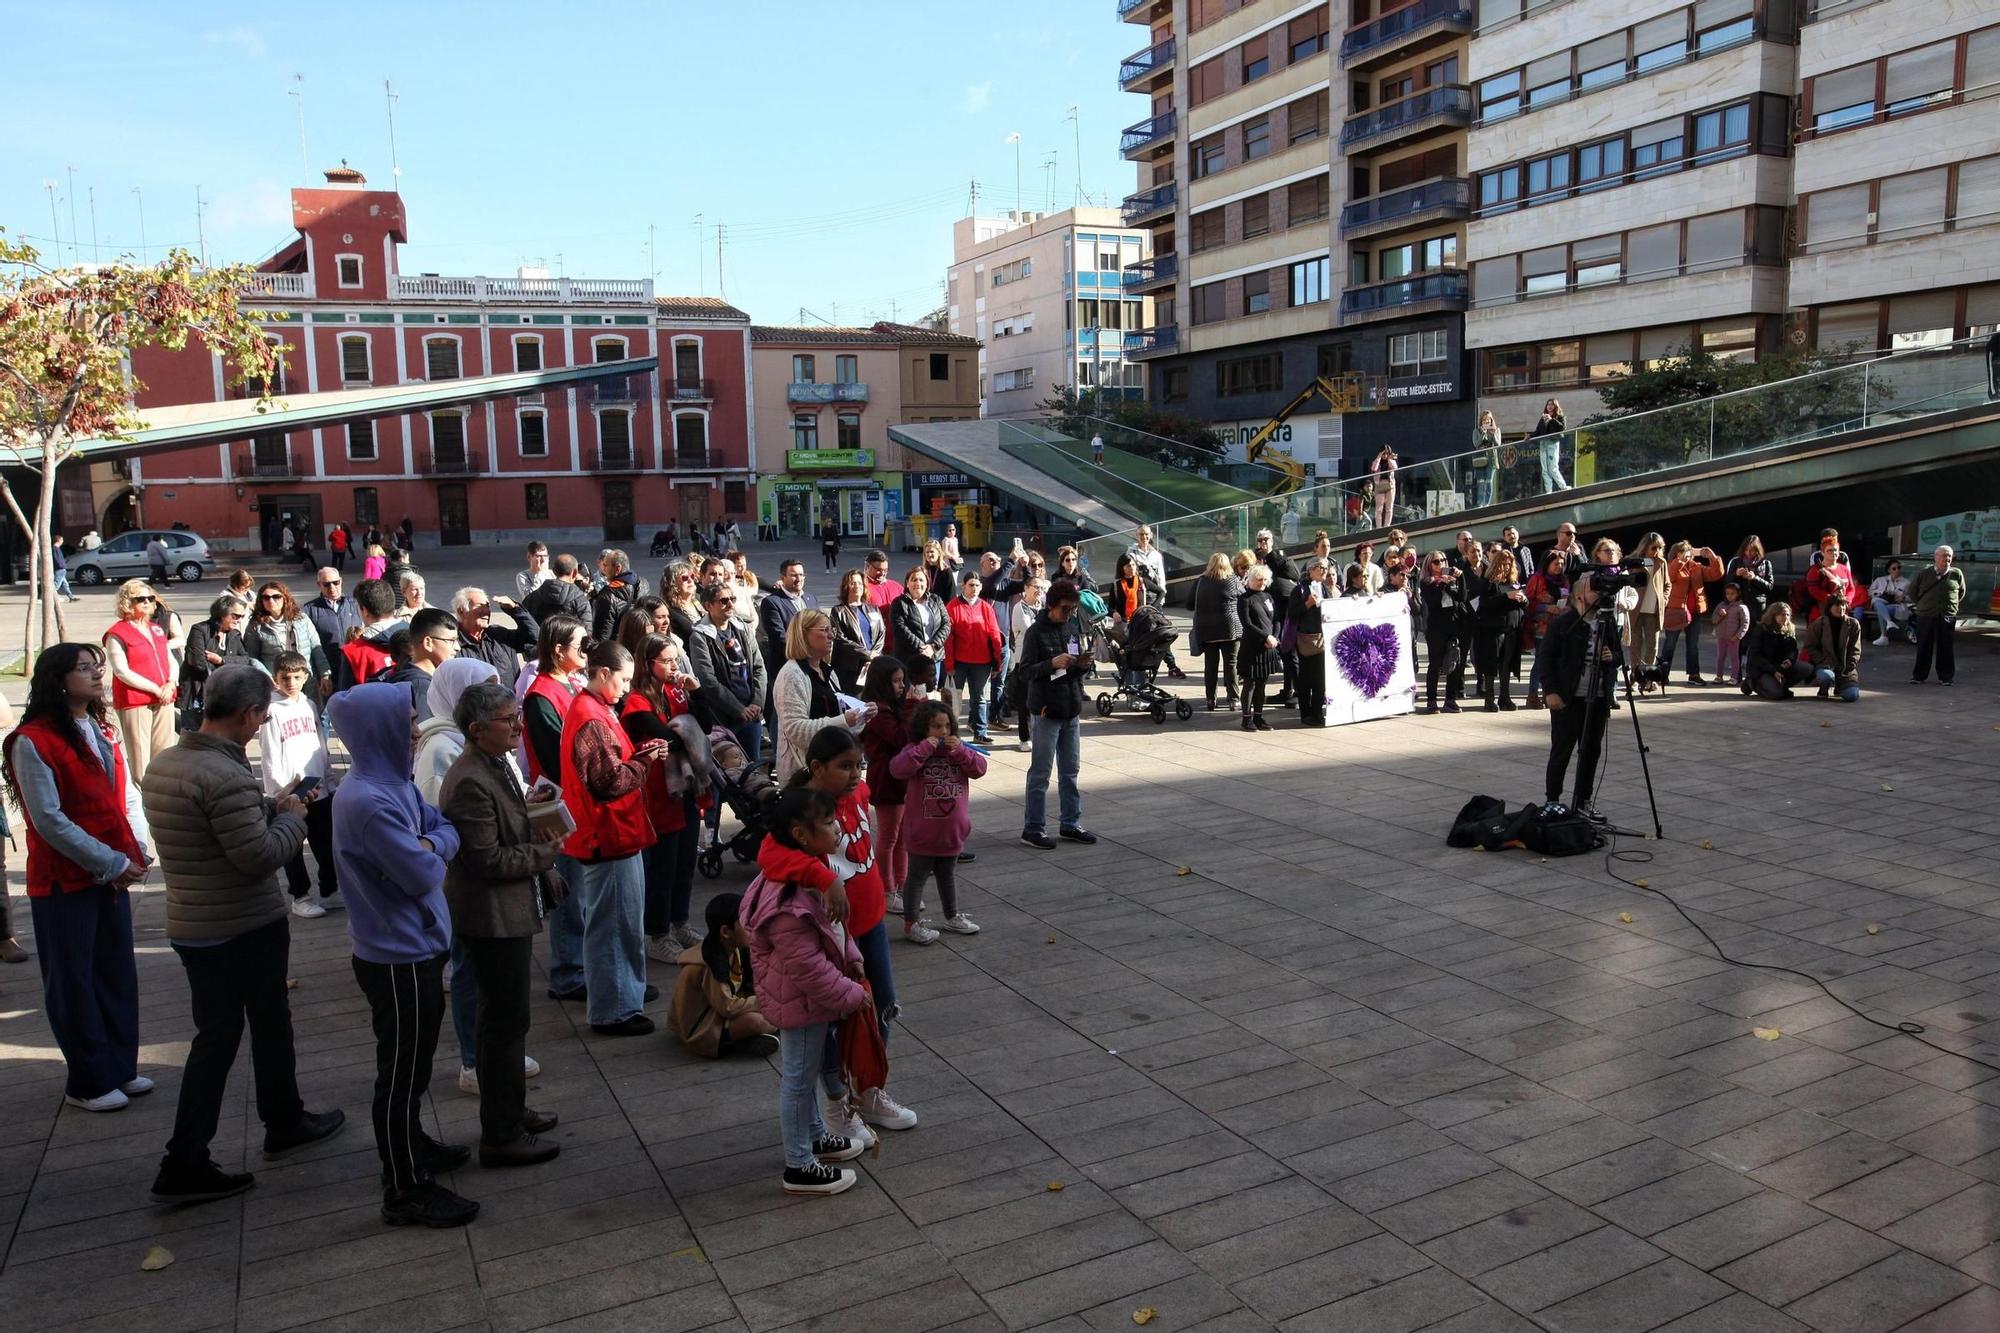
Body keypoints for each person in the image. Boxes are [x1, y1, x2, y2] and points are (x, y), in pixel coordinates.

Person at [143, 665, 343, 1203]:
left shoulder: (167, 763)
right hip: (238, 923)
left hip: (195, 921)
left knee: (222, 1033)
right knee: (244, 1032)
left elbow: (209, 835)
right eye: (259, 718)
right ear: (250, 713)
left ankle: (279, 1119)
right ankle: (192, 1155)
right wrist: (293, 819)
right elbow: (256, 856)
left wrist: (265, 810)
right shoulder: (224, 774)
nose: (259, 727)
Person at [324, 681, 473, 1227]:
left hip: (416, 948)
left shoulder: (391, 784)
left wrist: (433, 842)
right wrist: (434, 848)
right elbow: (423, 869)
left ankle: (413, 1147)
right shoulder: (366, 800)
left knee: (414, 1066)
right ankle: (404, 1187)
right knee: (401, 1074)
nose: (415, 732)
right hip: (396, 957)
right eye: (407, 723)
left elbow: (440, 828)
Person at [2, 644, 150, 1110]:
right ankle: (86, 1080)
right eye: (84, 669)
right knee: (73, 980)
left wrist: (139, 847)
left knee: (115, 972)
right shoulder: (33, 739)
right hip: (65, 879)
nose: (96, 674)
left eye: (96, 666)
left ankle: (119, 1067)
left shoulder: (102, 728)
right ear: (59, 679)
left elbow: (125, 793)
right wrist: (109, 860)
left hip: (111, 873)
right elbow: (47, 819)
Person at [764, 726, 915, 1138]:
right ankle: (836, 1104)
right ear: (816, 767)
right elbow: (770, 855)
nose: (855, 775)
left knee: (881, 1004)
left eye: (858, 765)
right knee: (832, 1020)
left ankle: (869, 1089)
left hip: (870, 925)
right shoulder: (803, 808)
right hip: (830, 938)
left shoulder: (859, 795)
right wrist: (823, 877)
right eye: (845, 767)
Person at [439, 680, 565, 1169]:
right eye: (508, 721)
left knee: (512, 1020)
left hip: (507, 911)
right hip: (490, 917)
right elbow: (486, 859)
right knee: (503, 1022)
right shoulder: (469, 777)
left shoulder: (495, 762)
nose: (517, 727)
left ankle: (511, 1111)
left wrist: (534, 807)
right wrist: (544, 854)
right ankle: (501, 1131)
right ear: (476, 729)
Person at [741, 788, 869, 1197]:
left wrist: (852, 955)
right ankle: (799, 1165)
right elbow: (808, 968)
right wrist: (851, 993)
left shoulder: (802, 870)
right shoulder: (789, 895)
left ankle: (814, 1136)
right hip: (802, 1001)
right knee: (797, 1078)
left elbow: (832, 930)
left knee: (806, 1071)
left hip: (808, 999)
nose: (837, 829)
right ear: (800, 834)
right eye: (829, 824)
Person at [559, 641, 671, 1037]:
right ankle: (613, 1010)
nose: (626, 688)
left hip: (615, 834)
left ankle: (628, 993)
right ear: (602, 673)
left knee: (621, 923)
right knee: (612, 926)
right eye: (623, 679)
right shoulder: (590, 715)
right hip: (607, 835)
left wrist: (639, 754)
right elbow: (607, 782)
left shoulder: (594, 708)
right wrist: (645, 761)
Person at [621, 633, 707, 960]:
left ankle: (679, 921)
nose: (674, 667)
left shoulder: (677, 690)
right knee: (664, 865)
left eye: (676, 660)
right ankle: (657, 932)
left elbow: (705, 726)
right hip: (658, 792)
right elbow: (673, 740)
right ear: (648, 663)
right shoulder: (638, 702)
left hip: (685, 788)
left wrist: (696, 693)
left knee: (686, 859)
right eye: (667, 661)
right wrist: (688, 732)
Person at [522, 616, 590, 1005]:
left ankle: (580, 966)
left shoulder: (571, 683)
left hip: (581, 804)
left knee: (582, 891)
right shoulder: (542, 695)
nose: (586, 649)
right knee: (569, 892)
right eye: (580, 644)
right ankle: (567, 972)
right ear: (559, 650)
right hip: (563, 807)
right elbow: (556, 757)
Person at [890, 700, 987, 942]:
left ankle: (952, 915)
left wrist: (961, 750)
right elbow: (897, 769)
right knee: (917, 876)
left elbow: (980, 768)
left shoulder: (958, 751)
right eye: (935, 727)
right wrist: (923, 750)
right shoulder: (914, 750)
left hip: (952, 831)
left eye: (946, 726)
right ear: (924, 729)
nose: (942, 732)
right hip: (923, 831)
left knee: (948, 874)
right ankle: (911, 923)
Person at [257, 652, 339, 918]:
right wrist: (278, 792)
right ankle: (300, 895)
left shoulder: (310, 705)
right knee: (292, 845)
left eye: (296, 677)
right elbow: (269, 752)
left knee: (325, 842)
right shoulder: (271, 710)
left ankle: (329, 889)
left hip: (317, 783)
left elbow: (320, 746)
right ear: (275, 679)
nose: (291, 682)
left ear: (306, 677)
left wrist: (328, 779)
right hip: (290, 788)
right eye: (285, 678)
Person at [1016, 580, 1093, 851]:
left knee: (1071, 770)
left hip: (1070, 708)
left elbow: (1068, 670)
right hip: (1046, 710)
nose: (1069, 614)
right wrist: (1051, 663)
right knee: (1040, 773)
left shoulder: (1071, 628)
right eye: (1065, 609)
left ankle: (1070, 822)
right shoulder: (1036, 632)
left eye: (1073, 609)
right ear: (1051, 606)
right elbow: (1025, 671)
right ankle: (1033, 827)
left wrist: (1081, 665)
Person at [1541, 579, 1620, 820]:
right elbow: (1545, 657)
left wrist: (1611, 656)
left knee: (1591, 752)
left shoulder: (1607, 622)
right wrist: (1551, 691)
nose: (1599, 593)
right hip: (1568, 697)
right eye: (1594, 590)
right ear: (1579, 596)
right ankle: (1552, 800)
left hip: (1596, 698)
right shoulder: (1564, 623)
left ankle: (1583, 800)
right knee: (1561, 750)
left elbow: (1618, 656)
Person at [668, 893, 776, 1058]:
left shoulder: (735, 947)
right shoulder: (709, 964)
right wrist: (764, 1001)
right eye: (745, 923)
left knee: (776, 1010)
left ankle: (751, 1036)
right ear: (726, 931)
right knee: (759, 1021)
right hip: (702, 1025)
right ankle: (734, 1042)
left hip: (719, 1010)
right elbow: (728, 1007)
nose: (752, 927)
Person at [774, 608, 870, 784]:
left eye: (831, 630)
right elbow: (796, 730)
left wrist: (861, 717)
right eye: (824, 630)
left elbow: (841, 721)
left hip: (831, 773)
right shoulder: (792, 674)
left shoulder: (827, 671)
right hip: (805, 778)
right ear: (803, 635)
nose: (831, 636)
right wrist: (845, 720)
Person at [103, 579, 177, 781]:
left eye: (150, 598)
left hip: (165, 696)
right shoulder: (116, 633)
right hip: (135, 700)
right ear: (127, 602)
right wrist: (155, 689)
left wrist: (171, 683)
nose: (147, 602)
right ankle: (144, 802)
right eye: (140, 599)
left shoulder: (156, 629)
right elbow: (121, 671)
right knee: (141, 759)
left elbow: (170, 659)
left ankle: (163, 797)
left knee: (165, 752)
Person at [860, 656, 919, 906]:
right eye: (896, 681)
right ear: (882, 683)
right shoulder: (878, 711)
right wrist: (910, 707)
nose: (902, 686)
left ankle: (902, 884)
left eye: (902, 681)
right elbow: (899, 738)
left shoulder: (892, 708)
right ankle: (887, 888)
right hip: (886, 779)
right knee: (889, 837)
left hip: (900, 779)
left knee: (902, 837)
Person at [688, 579, 767, 762]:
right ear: (708, 605)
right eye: (724, 601)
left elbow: (759, 667)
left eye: (732, 598)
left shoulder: (743, 628)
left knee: (752, 767)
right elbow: (707, 680)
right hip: (724, 717)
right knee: (729, 770)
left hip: (751, 714)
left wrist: (756, 703)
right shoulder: (700, 636)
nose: (730, 604)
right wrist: (738, 709)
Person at [944, 571, 1004, 743]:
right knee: (954, 699)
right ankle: (951, 733)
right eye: (971, 585)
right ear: (963, 586)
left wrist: (997, 663)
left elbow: (994, 636)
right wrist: (949, 664)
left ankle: (980, 731)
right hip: (959, 662)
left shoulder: (986, 607)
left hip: (982, 663)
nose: (975, 588)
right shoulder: (953, 606)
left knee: (979, 698)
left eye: (978, 585)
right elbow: (948, 639)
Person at [1466, 548, 1527, 711]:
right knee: (1491, 665)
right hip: (1494, 630)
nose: (1506, 568)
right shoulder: (1489, 582)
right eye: (1504, 564)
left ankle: (1505, 697)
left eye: (1509, 564)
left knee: (1506, 665)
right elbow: (1485, 604)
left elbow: (1523, 606)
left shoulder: (1513, 582)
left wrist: (1523, 598)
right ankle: (1489, 698)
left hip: (1512, 628)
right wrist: (1506, 596)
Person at [247, 582, 333, 696]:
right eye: (266, 598)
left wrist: (325, 674)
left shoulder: (301, 618)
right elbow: (252, 657)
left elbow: (316, 648)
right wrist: (268, 677)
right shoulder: (255, 625)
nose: (271, 601)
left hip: (305, 679)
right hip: (277, 683)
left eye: (276, 597)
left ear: (285, 598)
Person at [179, 596, 250, 732]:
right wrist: (230, 668)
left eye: (242, 616)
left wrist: (221, 660)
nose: (239, 620)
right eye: (235, 616)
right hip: (197, 693)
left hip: (224, 696)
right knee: (194, 739)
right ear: (222, 613)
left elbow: (245, 660)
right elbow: (198, 662)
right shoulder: (199, 630)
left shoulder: (235, 635)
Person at [1657, 542, 1724, 686]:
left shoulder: (1696, 567)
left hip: (1693, 611)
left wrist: (1713, 558)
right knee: (1670, 644)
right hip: (1676, 610)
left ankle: (1694, 675)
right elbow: (1670, 576)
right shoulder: (1671, 565)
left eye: (1688, 551)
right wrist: (1678, 561)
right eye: (1683, 551)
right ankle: (1663, 673)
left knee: (1693, 645)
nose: (1687, 554)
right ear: (1676, 553)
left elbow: (1716, 574)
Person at [453, 586, 538, 694]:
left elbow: (534, 637)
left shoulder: (499, 635)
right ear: (461, 611)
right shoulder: (453, 645)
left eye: (488, 606)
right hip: (476, 709)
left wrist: (515, 609)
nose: (486, 611)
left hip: (509, 707)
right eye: (480, 606)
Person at [1908, 544, 1965, 686]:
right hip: (1926, 614)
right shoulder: (1924, 573)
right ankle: (1919, 676)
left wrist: (1952, 606)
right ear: (1935, 557)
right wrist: (1922, 605)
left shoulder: (1956, 573)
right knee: (1924, 645)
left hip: (1947, 614)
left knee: (1946, 646)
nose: (1947, 558)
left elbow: (1961, 592)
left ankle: (1946, 677)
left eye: (1949, 556)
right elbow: (1912, 591)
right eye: (1944, 555)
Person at [1191, 553, 1242, 711]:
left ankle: (1210, 700)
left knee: (1210, 666)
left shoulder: (1200, 581)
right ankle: (1233, 699)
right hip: (1229, 628)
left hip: (1207, 629)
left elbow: (1189, 603)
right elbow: (1243, 597)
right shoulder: (1233, 580)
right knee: (1231, 665)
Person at [1420, 552, 1468, 714]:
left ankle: (1450, 699)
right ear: (1429, 565)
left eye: (1443, 560)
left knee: (1454, 662)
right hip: (1436, 628)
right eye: (1436, 562)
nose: (1440, 564)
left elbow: (1462, 597)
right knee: (1435, 664)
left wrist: (1460, 579)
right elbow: (1433, 603)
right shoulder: (1427, 583)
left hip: (1453, 625)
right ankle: (1431, 700)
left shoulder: (1451, 580)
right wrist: (1441, 584)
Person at [1522, 550, 1570, 708]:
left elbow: (1568, 599)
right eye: (1556, 563)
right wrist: (1546, 608)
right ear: (1547, 564)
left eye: (1562, 564)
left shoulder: (1564, 581)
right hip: (1541, 627)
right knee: (1541, 661)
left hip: (1560, 626)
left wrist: (1565, 608)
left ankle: (1549, 693)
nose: (1559, 567)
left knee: (1557, 660)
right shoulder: (1537, 579)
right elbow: (1527, 603)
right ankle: (1533, 694)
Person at [890, 566, 949, 694]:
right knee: (911, 696)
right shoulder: (899, 603)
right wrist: (922, 648)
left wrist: (932, 647)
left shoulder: (936, 600)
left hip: (934, 657)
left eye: (921, 580)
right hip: (909, 660)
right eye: (914, 580)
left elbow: (946, 624)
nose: (918, 583)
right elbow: (900, 628)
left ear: (927, 583)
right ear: (907, 583)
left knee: (931, 695)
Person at [1289, 557, 1331, 728]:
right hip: (1306, 639)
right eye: (1320, 568)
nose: (1324, 571)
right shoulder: (1299, 589)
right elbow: (1292, 613)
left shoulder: (1325, 588)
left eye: (1326, 568)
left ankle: (1317, 712)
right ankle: (1305, 713)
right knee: (1306, 679)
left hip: (1322, 638)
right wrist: (1307, 604)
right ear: (1311, 569)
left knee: (1320, 680)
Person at [830, 569, 886, 694]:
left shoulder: (873, 609)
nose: (857, 586)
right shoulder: (838, 611)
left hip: (874, 664)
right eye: (853, 583)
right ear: (846, 587)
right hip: (851, 668)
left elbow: (882, 632)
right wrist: (866, 654)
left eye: (860, 583)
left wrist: (874, 655)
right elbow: (839, 638)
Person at [1236, 565, 1278, 732]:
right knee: (1250, 684)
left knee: (1262, 684)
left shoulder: (1268, 596)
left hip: (1268, 647)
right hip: (1252, 646)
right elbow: (1247, 624)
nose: (1262, 582)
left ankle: (1259, 717)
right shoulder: (1245, 599)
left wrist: (1275, 636)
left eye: (1264, 579)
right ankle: (1246, 719)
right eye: (1258, 579)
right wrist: (1265, 637)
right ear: (1250, 580)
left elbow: (1276, 620)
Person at [303, 569, 361, 687]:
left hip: (354, 666)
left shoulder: (356, 604)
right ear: (319, 585)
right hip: (328, 670)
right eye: (326, 584)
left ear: (341, 581)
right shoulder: (309, 609)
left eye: (336, 582)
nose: (332, 587)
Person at [1804, 592, 1863, 702]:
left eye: (1843, 605)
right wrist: (1822, 661)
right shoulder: (1819, 623)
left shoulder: (1853, 624)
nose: (1840, 608)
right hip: (1825, 665)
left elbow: (1855, 648)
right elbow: (1810, 646)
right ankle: (1824, 687)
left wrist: (1849, 665)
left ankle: (1840, 686)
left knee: (1852, 696)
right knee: (1826, 676)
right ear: (1830, 607)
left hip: (1845, 668)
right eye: (1836, 605)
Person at [1743, 603, 1807, 699]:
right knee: (1776, 694)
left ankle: (1783, 686)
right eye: (1781, 614)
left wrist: (1789, 659)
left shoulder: (1789, 629)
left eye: (1787, 614)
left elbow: (1793, 650)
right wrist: (1773, 671)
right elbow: (1755, 656)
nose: (1785, 617)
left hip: (1780, 665)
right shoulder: (1761, 629)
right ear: (1773, 615)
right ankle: (1751, 683)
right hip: (1762, 668)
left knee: (1807, 668)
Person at [1803, 530, 1863, 623]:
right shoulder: (1815, 568)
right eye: (1829, 550)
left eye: (1835, 550)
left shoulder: (1844, 564)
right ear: (1823, 552)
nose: (1833, 552)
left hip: (1841, 609)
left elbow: (1851, 588)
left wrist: (1846, 600)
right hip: (1821, 610)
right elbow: (1813, 590)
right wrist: (1832, 600)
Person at [591, 548, 648, 643]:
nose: (603, 569)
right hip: (640, 646)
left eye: (606, 565)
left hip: (618, 651)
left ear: (617, 568)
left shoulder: (608, 596)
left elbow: (602, 637)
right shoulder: (643, 583)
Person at [524, 552, 592, 627]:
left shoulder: (531, 598)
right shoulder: (580, 600)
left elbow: (526, 625)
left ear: (554, 571)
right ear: (575, 573)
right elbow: (586, 630)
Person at [1724, 535, 1775, 621]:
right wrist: (1736, 574)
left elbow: (1769, 586)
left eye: (1752, 550)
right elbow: (1727, 582)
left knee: (1755, 631)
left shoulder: (1765, 563)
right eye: (1746, 550)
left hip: (1757, 605)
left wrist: (1754, 578)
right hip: (1738, 602)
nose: (1748, 553)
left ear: (1757, 550)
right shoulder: (1736, 561)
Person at [1711, 582, 1751, 687]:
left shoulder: (1742, 607)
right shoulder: (1721, 605)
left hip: (1733, 637)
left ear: (1738, 594)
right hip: (1721, 636)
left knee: (1734, 657)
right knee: (1720, 656)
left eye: (1732, 593)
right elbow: (1714, 620)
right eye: (1728, 593)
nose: (1730, 596)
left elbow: (1745, 624)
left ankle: (1734, 677)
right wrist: (1720, 615)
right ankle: (1718, 676)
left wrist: (1738, 636)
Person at [1869, 559, 1912, 645]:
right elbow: (1870, 591)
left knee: (1882, 609)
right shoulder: (1880, 580)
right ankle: (1889, 622)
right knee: (1877, 601)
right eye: (1894, 568)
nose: (1897, 570)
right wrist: (1881, 593)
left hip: (1896, 606)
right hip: (1881, 601)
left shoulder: (1906, 582)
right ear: (1889, 570)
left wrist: (1903, 598)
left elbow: (1912, 597)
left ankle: (1884, 636)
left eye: (1899, 568)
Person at [1531, 398, 1568, 492]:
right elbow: (1538, 431)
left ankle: (1563, 487)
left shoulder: (1560, 417)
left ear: (1555, 406)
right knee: (1545, 469)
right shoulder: (1543, 418)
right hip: (1543, 443)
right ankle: (1548, 491)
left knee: (1553, 467)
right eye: (1548, 404)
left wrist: (1551, 419)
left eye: (1551, 404)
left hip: (1553, 443)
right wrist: (1529, 436)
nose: (1549, 406)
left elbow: (1562, 428)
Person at [1474, 410, 1502, 508]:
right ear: (1481, 421)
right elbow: (1476, 444)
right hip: (1480, 459)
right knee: (1481, 481)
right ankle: (1480, 503)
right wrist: (1483, 433)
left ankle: (1487, 503)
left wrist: (1493, 433)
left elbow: (1498, 444)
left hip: (1491, 458)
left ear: (1491, 421)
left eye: (1488, 420)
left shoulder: (1496, 430)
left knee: (1489, 481)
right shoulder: (1477, 430)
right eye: (1484, 420)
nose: (1486, 422)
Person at [1369, 445, 1398, 528]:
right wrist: (1378, 457)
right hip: (1379, 485)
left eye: (1386, 454)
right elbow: (1374, 468)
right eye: (1383, 453)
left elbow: (1395, 468)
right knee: (1379, 509)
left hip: (1390, 485)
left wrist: (1390, 458)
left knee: (1389, 508)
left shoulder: (1391, 460)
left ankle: (1387, 526)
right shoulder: (1377, 461)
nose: (1385, 455)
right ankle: (1379, 527)